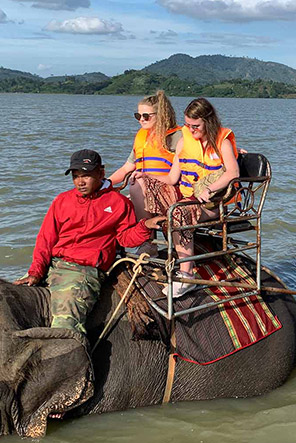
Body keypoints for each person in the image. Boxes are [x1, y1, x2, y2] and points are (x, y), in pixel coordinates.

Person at [14, 149, 163, 335]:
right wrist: (35, 272)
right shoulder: (62, 200)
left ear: (101, 173)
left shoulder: (118, 203)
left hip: (84, 271)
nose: (80, 182)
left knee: (65, 328)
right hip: (54, 265)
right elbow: (45, 239)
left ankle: (77, 358)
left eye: (86, 175)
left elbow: (125, 238)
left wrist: (146, 225)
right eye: (75, 176)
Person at [139, 98, 240, 298]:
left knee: (178, 212)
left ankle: (186, 275)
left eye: (196, 126)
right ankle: (147, 242)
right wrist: (146, 176)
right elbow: (171, 177)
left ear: (208, 122)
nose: (191, 130)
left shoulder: (222, 142)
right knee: (142, 184)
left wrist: (209, 189)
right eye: (188, 125)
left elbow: (233, 173)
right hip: (187, 198)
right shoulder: (185, 141)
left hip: (210, 203)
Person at [108, 90, 183, 221]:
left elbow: (175, 177)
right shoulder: (142, 137)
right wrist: (105, 183)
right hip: (144, 189)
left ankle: (145, 235)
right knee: (111, 204)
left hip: (170, 189)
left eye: (146, 116)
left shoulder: (177, 137)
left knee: (138, 183)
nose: (141, 120)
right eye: (138, 116)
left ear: (161, 115)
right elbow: (127, 168)